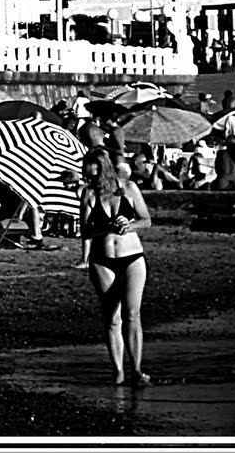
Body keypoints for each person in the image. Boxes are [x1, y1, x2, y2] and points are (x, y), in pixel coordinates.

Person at [87, 153, 152, 385]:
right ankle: (118, 371)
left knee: (132, 314)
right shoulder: (88, 194)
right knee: (112, 317)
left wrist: (129, 225)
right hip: (102, 259)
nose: (93, 181)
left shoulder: (129, 188)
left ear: (105, 171)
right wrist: (106, 227)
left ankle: (136, 369)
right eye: (89, 175)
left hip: (132, 256)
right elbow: (86, 232)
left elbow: (147, 220)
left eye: (95, 175)